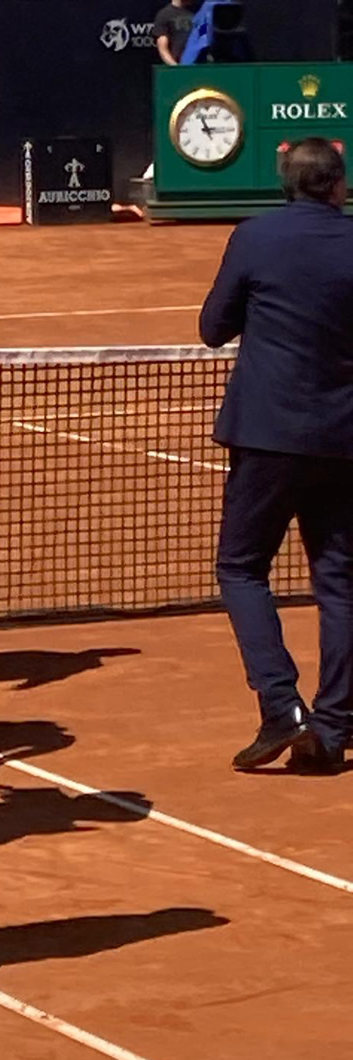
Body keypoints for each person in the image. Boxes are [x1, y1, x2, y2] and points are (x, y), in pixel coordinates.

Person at [200, 137, 353, 775]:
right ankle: (334, 725)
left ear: (286, 185)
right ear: (338, 185)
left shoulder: (254, 238)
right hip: (343, 439)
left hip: (266, 437)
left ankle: (281, 705)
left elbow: (213, 328)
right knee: (340, 580)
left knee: (241, 568)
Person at [153, 0, 196, 66]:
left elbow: (204, 35)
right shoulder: (164, 14)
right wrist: (175, 66)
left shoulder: (200, 11)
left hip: (201, 65)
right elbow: (163, 48)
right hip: (179, 64)